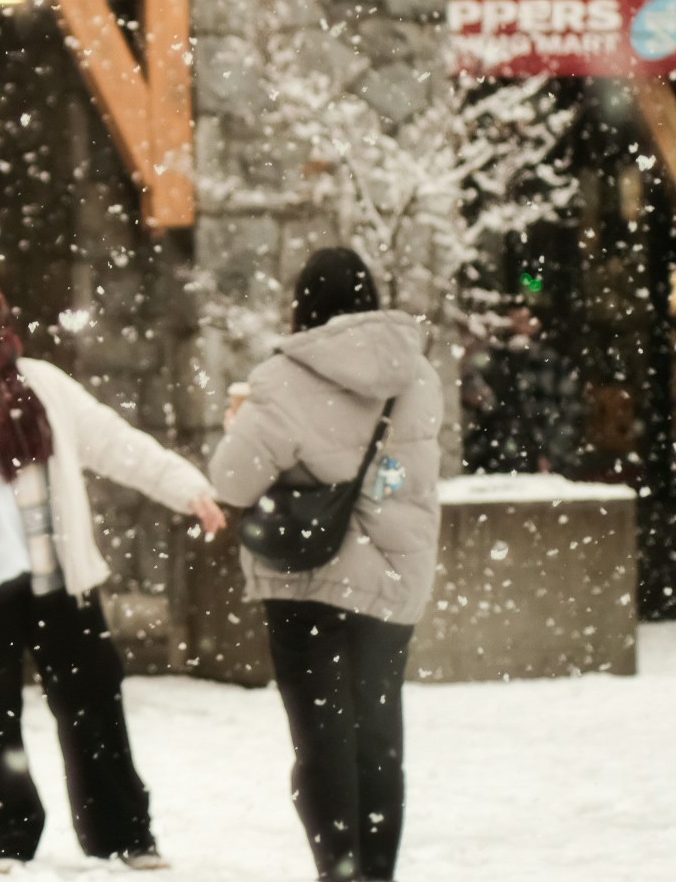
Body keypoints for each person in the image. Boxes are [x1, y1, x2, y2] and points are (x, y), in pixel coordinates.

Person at [0, 260, 226, 875]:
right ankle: (6, 840)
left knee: (95, 703)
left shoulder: (40, 382)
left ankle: (124, 834)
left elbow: (114, 441)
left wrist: (185, 486)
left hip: (57, 574)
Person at [210, 248, 444, 882]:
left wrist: (239, 425)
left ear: (303, 306)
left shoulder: (283, 378)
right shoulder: (417, 374)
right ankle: (375, 871)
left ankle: (338, 872)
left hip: (309, 581)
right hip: (395, 576)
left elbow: (231, 481)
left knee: (322, 743)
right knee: (377, 739)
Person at [462, 302, 581, 477]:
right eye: (512, 321)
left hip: (536, 455)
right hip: (492, 456)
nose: (517, 326)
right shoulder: (490, 360)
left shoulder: (551, 364)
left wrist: (552, 454)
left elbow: (570, 412)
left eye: (523, 320)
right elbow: (472, 394)